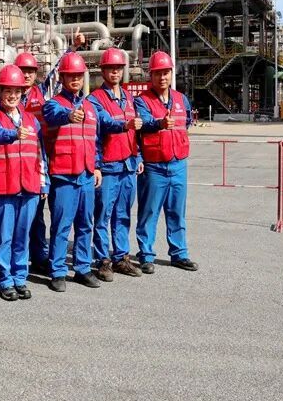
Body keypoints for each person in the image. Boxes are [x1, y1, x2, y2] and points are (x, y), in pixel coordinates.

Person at [0, 64, 48, 301]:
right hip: (3, 188)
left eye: (17, 91)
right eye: (7, 91)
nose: (12, 95)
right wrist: (13, 134)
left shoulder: (32, 120)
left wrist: (43, 182)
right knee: (5, 238)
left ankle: (20, 277)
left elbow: (40, 153)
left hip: (29, 186)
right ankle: (5, 279)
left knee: (22, 236)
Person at [42, 52, 102, 292]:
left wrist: (97, 166)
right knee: (61, 225)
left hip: (86, 174)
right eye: (70, 75)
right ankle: (57, 271)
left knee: (85, 223)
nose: (75, 79)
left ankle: (83, 267)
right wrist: (67, 115)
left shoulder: (90, 106)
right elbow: (52, 116)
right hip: (64, 175)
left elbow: (95, 140)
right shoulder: (54, 104)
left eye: (78, 75)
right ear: (62, 77)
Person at [133, 51, 197, 275]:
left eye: (166, 73)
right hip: (154, 166)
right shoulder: (141, 101)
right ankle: (146, 255)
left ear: (171, 73)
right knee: (149, 212)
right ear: (150, 75)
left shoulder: (181, 99)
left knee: (177, 212)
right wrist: (159, 124)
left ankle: (179, 254)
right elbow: (142, 124)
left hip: (178, 164)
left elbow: (185, 122)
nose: (162, 77)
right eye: (158, 73)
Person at [87, 48, 143, 281]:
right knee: (103, 215)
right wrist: (96, 165)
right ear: (103, 71)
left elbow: (136, 131)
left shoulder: (128, 97)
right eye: (110, 68)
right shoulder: (94, 99)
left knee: (123, 215)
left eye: (118, 68)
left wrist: (139, 157)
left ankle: (121, 257)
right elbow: (103, 123)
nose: (115, 72)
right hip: (108, 166)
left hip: (128, 165)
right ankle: (103, 260)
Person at [16, 51, 53, 276]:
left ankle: (39, 256)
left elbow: (59, 72)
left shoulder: (42, 92)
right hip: (16, 159)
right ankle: (16, 259)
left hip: (39, 156)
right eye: (23, 71)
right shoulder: (9, 95)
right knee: (17, 214)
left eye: (30, 71)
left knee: (37, 213)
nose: (27, 75)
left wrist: (74, 49)